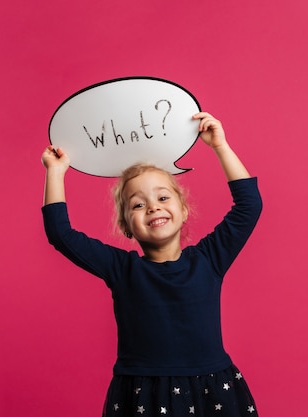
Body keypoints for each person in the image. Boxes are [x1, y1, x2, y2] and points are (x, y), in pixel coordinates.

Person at [41, 112, 262, 417]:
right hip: (142, 393)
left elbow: (249, 206)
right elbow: (60, 234)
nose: (153, 206)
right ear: (126, 226)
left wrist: (220, 146)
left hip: (212, 390)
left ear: (184, 210)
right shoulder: (122, 269)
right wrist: (55, 171)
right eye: (138, 204)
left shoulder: (209, 259)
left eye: (162, 197)